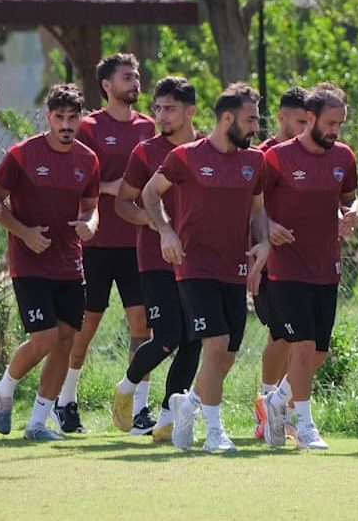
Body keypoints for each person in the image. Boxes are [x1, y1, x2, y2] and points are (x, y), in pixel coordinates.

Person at [142, 82, 270, 453]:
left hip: (235, 270)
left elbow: (258, 210)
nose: (256, 127)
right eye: (250, 119)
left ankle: (188, 405)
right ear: (227, 119)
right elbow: (150, 193)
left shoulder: (254, 162)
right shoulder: (185, 157)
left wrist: (263, 241)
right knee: (215, 346)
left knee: (225, 356)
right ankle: (215, 432)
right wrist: (166, 231)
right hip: (194, 267)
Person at [0, 84, 100, 441]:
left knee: (66, 341)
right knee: (45, 339)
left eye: (73, 117)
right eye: (59, 117)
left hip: (70, 263)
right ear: (48, 117)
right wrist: (24, 233)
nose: (66, 124)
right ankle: (4, 388)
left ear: (81, 119)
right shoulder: (23, 154)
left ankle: (37, 423)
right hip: (30, 262)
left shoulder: (88, 159)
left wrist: (90, 224)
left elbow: (91, 206)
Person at [258, 83, 358, 450]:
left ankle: (275, 401)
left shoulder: (344, 157)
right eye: (331, 123)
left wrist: (352, 213)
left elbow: (350, 198)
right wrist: (268, 227)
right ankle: (304, 426)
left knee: (317, 354)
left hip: (326, 266)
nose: (336, 131)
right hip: (286, 267)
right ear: (310, 118)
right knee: (301, 348)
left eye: (341, 124)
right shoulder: (276, 158)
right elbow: (252, 206)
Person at [59, 53, 157, 434]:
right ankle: (65, 401)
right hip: (95, 245)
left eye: (137, 76)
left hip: (137, 244)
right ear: (106, 85)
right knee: (85, 327)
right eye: (127, 77)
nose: (135, 82)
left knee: (143, 325)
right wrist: (114, 188)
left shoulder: (149, 126)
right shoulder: (88, 127)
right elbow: (75, 180)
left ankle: (139, 408)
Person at [111, 76, 203, 443]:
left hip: (199, 262)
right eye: (159, 108)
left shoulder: (208, 149)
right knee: (167, 337)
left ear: (191, 111)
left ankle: (168, 417)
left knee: (194, 339)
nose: (161, 116)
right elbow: (123, 203)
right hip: (156, 260)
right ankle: (126, 387)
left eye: (170, 109)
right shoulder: (145, 152)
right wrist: (153, 222)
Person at [252, 85, 309, 439]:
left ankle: (279, 410)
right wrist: (268, 228)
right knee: (282, 335)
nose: (307, 127)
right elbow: (245, 206)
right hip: (270, 262)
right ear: (281, 117)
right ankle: (266, 406)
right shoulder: (263, 155)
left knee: (299, 339)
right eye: (301, 121)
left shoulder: (314, 152)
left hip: (307, 262)